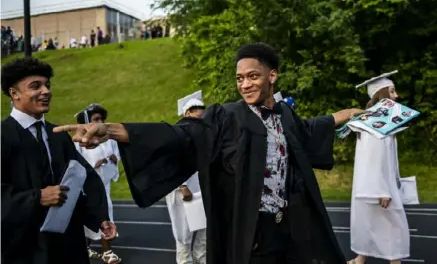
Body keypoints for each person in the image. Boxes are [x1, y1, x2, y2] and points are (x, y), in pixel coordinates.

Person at [54, 43, 364, 264]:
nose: (245, 84)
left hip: (290, 227)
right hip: (249, 231)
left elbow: (310, 130)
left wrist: (347, 113)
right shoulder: (228, 117)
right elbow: (182, 134)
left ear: (272, 76)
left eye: (253, 76)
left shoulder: (284, 115)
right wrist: (109, 129)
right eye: (240, 78)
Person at [1, 57, 117, 264]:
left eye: (47, 85)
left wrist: (100, 217)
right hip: (24, 244)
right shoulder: (3, 135)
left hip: (67, 242)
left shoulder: (58, 135)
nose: (46, 91)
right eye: (35, 86)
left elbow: (84, 176)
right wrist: (37, 197)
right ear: (14, 93)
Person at [348, 72, 409, 264]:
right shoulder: (373, 126)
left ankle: (360, 260)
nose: (396, 96)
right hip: (379, 186)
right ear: (381, 94)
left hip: (381, 184)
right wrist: (382, 190)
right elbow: (373, 159)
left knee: (373, 222)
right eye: (392, 91)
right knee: (393, 226)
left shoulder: (380, 123)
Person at [74, 103, 122, 264]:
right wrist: (93, 166)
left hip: (105, 185)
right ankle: (106, 251)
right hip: (88, 187)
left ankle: (91, 248)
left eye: (101, 118)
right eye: (96, 119)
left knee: (104, 214)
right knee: (92, 216)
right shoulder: (79, 141)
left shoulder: (108, 139)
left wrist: (114, 159)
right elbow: (76, 163)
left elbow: (116, 153)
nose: (100, 121)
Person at [166, 91, 207, 264]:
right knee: (184, 233)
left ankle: (202, 260)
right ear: (187, 113)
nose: (199, 115)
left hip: (200, 188)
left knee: (204, 230)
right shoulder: (175, 135)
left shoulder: (203, 134)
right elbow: (169, 162)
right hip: (181, 190)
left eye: (201, 111)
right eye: (195, 111)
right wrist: (182, 186)